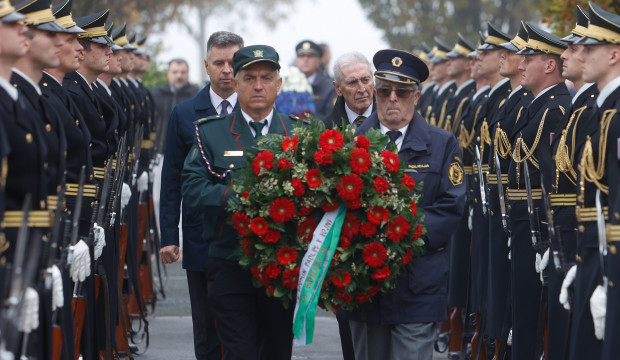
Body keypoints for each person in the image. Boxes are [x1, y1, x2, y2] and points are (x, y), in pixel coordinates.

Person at [341, 48, 465, 360]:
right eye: (384, 91)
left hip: (418, 284)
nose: (393, 98)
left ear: (416, 97)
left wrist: (398, 236)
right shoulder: (351, 143)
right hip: (365, 288)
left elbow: (451, 206)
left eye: (403, 91)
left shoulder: (442, 143)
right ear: (374, 93)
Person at [181, 44, 298, 360]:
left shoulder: (299, 132)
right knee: (239, 351)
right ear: (235, 83)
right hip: (230, 260)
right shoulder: (211, 133)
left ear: (279, 83)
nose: (258, 86)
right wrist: (235, 197)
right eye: (249, 78)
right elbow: (192, 189)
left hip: (281, 265)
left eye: (266, 77)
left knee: (276, 351)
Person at [159, 30, 243, 360]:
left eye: (233, 62)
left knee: (244, 325)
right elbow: (172, 180)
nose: (226, 70)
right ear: (206, 66)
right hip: (201, 235)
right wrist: (169, 235)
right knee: (206, 328)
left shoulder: (256, 110)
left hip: (247, 234)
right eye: (218, 63)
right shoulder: (184, 114)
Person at [507, 22, 571, 360]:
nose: (519, 64)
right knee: (523, 315)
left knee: (534, 320)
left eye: (527, 57)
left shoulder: (556, 109)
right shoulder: (537, 106)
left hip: (539, 230)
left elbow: (556, 182)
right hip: (522, 224)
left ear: (549, 64)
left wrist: (547, 239)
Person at [569, 3, 620, 359]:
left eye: (591, 48)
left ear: (614, 54)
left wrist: (608, 275)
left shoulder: (615, 114)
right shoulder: (601, 110)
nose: (580, 55)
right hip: (594, 254)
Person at [547, 7, 598, 360]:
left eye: (578, 48)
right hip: (568, 235)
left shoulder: (598, 112)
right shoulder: (581, 108)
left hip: (587, 241)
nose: (564, 55)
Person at [485, 20, 533, 357]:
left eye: (512, 52)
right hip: (499, 204)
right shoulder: (507, 99)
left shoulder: (532, 103)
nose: (503, 57)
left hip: (522, 213)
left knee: (514, 296)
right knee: (494, 284)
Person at [151, 58, 199, 152]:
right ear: (168, 73)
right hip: (160, 151)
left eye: (183, 72)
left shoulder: (196, 95)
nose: (179, 76)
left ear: (188, 74)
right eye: (175, 72)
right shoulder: (156, 94)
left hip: (189, 152)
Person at [324, 51, 375, 130]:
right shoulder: (327, 129)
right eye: (352, 83)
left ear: (372, 78)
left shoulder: (394, 121)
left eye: (365, 80)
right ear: (338, 88)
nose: (362, 89)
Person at [295, 39, 337, 120]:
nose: (305, 59)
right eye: (301, 56)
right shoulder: (287, 85)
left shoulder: (329, 87)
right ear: (297, 61)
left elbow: (331, 118)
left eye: (310, 56)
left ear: (318, 62)